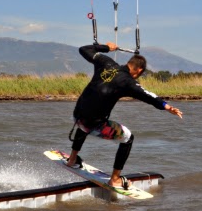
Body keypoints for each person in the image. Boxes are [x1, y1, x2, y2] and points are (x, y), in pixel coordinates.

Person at [66, 41, 183, 189]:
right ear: (139, 71)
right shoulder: (128, 82)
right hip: (92, 124)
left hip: (77, 117)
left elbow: (83, 49)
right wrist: (166, 106)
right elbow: (148, 95)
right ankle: (115, 179)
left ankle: (72, 159)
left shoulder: (105, 62)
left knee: (88, 115)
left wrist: (106, 48)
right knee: (128, 138)